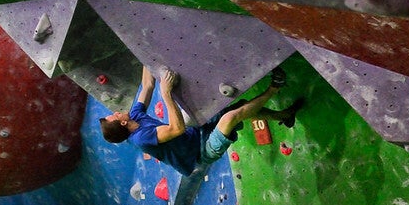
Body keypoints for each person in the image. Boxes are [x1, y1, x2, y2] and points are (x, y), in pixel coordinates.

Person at [100, 66, 303, 176]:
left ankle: (285, 116)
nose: (117, 112)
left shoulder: (134, 116)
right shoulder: (141, 139)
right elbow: (177, 128)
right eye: (115, 115)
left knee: (237, 107)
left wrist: (142, 47)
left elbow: (146, 85)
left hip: (195, 134)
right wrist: (167, 94)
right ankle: (275, 87)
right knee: (230, 117)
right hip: (202, 151)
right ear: (123, 124)